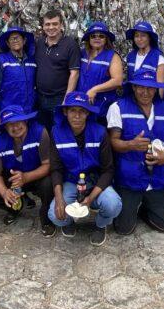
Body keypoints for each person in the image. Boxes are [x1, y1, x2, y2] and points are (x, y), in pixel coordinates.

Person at [108, 67, 164, 235]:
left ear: (155, 89)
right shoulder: (118, 107)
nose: (145, 92)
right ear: (133, 87)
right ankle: (132, 205)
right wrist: (130, 144)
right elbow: (113, 142)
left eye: (150, 88)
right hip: (130, 177)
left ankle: (144, 207)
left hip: (156, 177)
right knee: (124, 229)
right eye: (141, 87)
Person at [47, 91, 122, 245]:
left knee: (113, 204)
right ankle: (68, 222)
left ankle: (100, 225)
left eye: (82, 111)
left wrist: (91, 198)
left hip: (95, 181)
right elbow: (56, 169)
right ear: (65, 112)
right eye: (72, 110)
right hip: (71, 181)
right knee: (55, 215)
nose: (77, 115)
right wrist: (59, 199)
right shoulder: (56, 132)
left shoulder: (100, 132)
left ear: (88, 113)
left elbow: (108, 170)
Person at [0, 106, 54, 234]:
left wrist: (26, 177)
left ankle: (46, 217)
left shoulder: (40, 132)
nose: (15, 127)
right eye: (10, 124)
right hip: (13, 180)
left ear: (25, 121)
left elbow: (47, 165)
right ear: (5, 127)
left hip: (36, 175)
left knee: (49, 184)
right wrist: (4, 192)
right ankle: (14, 208)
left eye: (18, 122)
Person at [34, 10, 81, 130]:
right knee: (43, 131)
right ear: (43, 26)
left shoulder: (70, 45)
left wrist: (67, 100)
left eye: (55, 24)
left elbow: (74, 73)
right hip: (40, 98)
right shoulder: (39, 43)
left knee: (59, 131)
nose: (51, 27)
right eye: (47, 24)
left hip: (59, 98)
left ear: (61, 25)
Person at [0, 26, 37, 125]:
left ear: (24, 40)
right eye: (11, 39)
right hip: (9, 114)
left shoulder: (32, 62)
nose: (15, 40)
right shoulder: (0, 61)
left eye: (17, 37)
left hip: (29, 112)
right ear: (7, 43)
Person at [78, 21, 124, 119]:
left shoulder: (113, 56)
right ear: (88, 38)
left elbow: (118, 81)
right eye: (93, 36)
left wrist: (95, 90)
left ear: (106, 39)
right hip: (81, 104)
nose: (97, 38)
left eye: (101, 36)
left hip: (102, 106)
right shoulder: (82, 53)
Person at [123, 21, 164, 94]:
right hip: (132, 97)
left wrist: (158, 100)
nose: (139, 39)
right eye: (136, 36)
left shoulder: (159, 58)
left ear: (149, 38)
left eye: (143, 35)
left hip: (149, 97)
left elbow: (160, 86)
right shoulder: (130, 56)